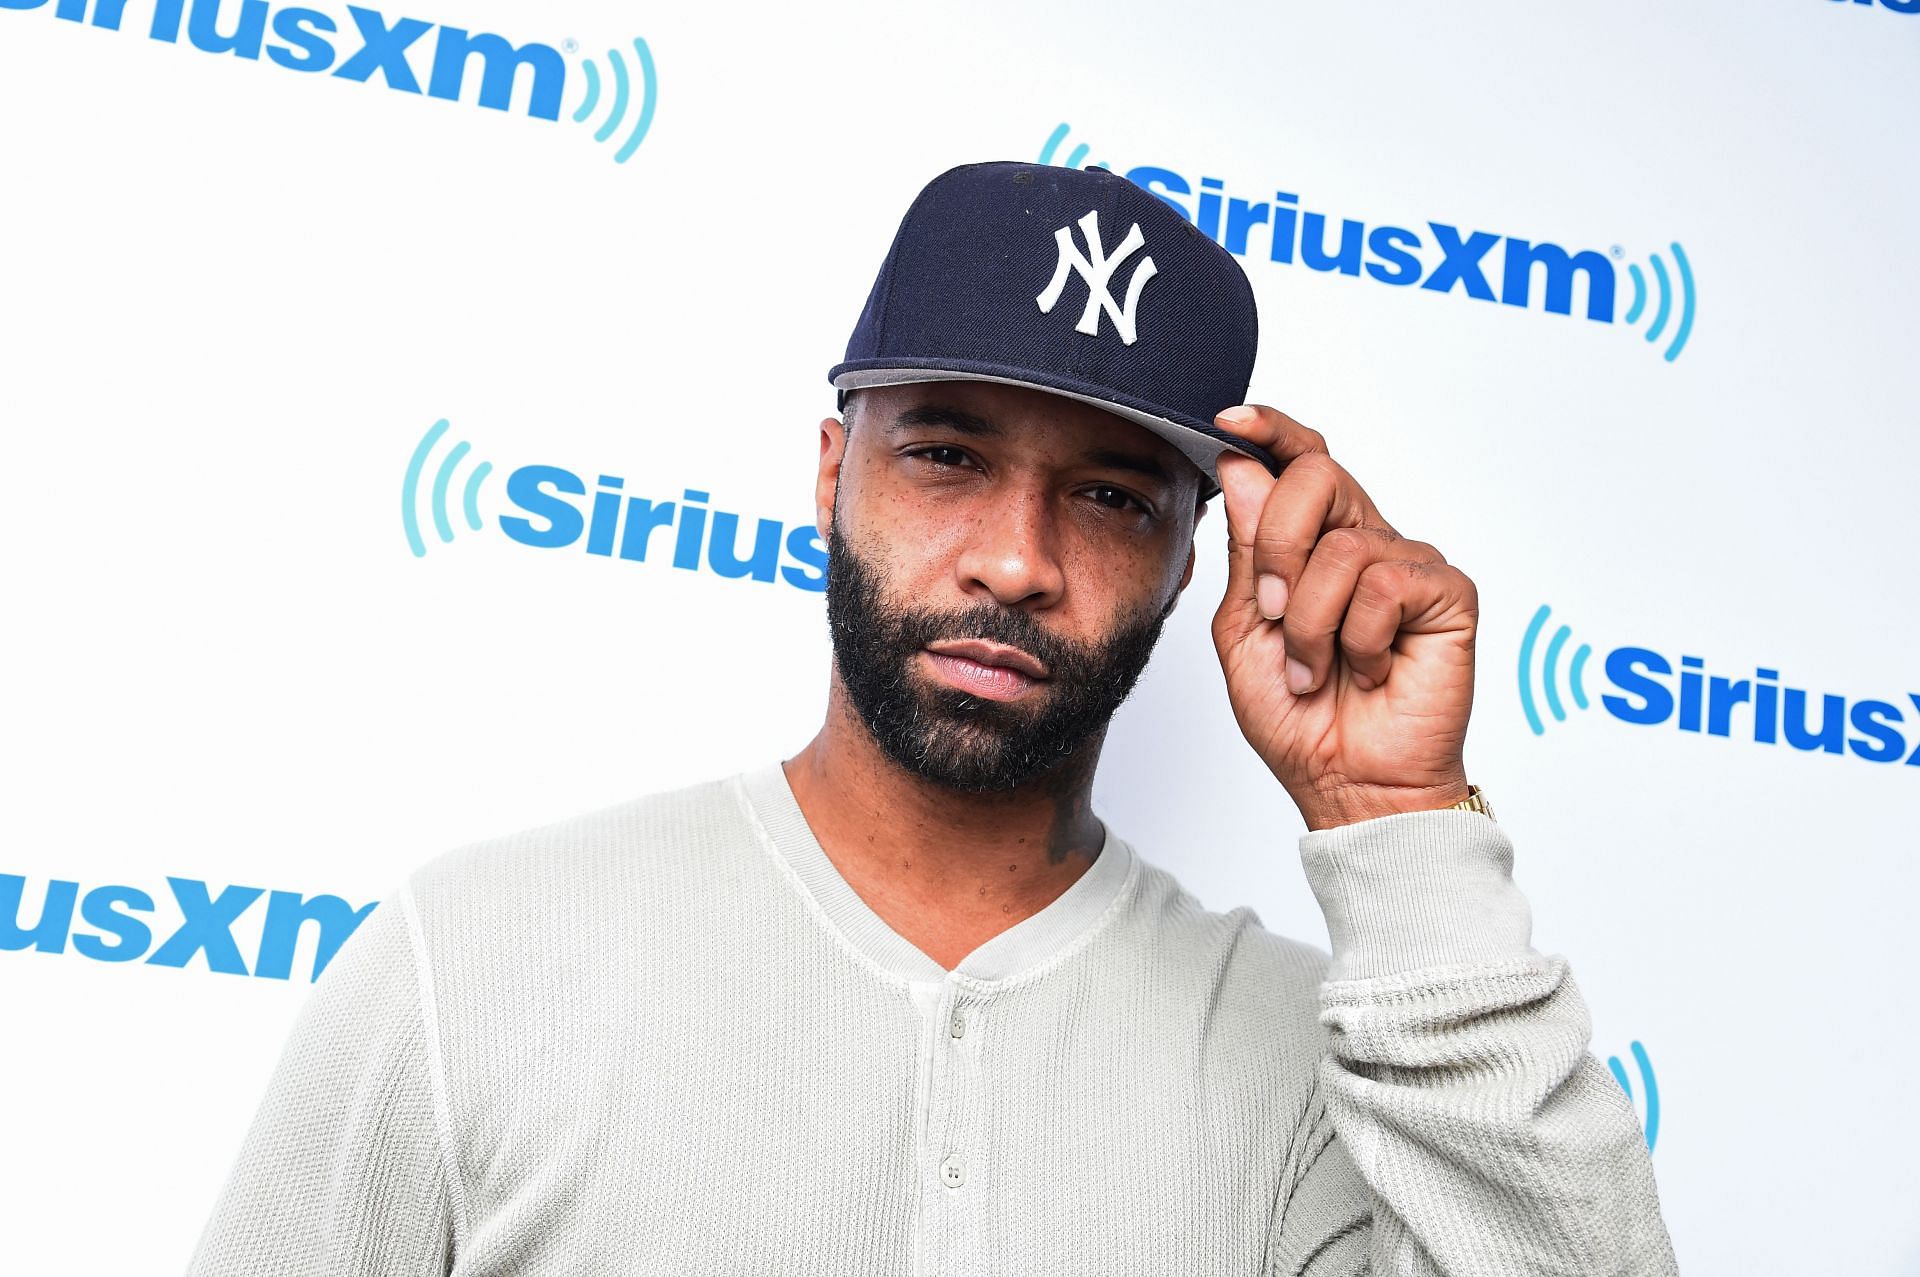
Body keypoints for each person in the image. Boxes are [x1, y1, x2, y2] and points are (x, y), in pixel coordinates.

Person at [187, 161, 1678, 1275]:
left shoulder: (1314, 1065)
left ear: (1193, 556)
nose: (1017, 559)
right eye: (949, 455)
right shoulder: (479, 962)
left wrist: (1398, 820)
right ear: (831, 471)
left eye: (1107, 494)